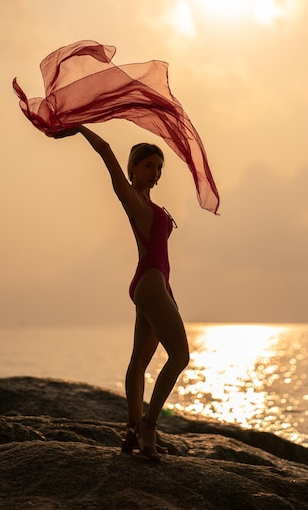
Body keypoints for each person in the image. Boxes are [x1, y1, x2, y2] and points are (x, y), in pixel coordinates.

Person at [55, 125, 190, 461]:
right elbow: (104, 150)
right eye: (149, 166)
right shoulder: (131, 197)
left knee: (139, 362)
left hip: (157, 283)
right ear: (133, 167)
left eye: (159, 167)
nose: (155, 173)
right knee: (180, 356)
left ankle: (132, 429)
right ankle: (149, 426)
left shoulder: (148, 202)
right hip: (150, 282)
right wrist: (79, 128)